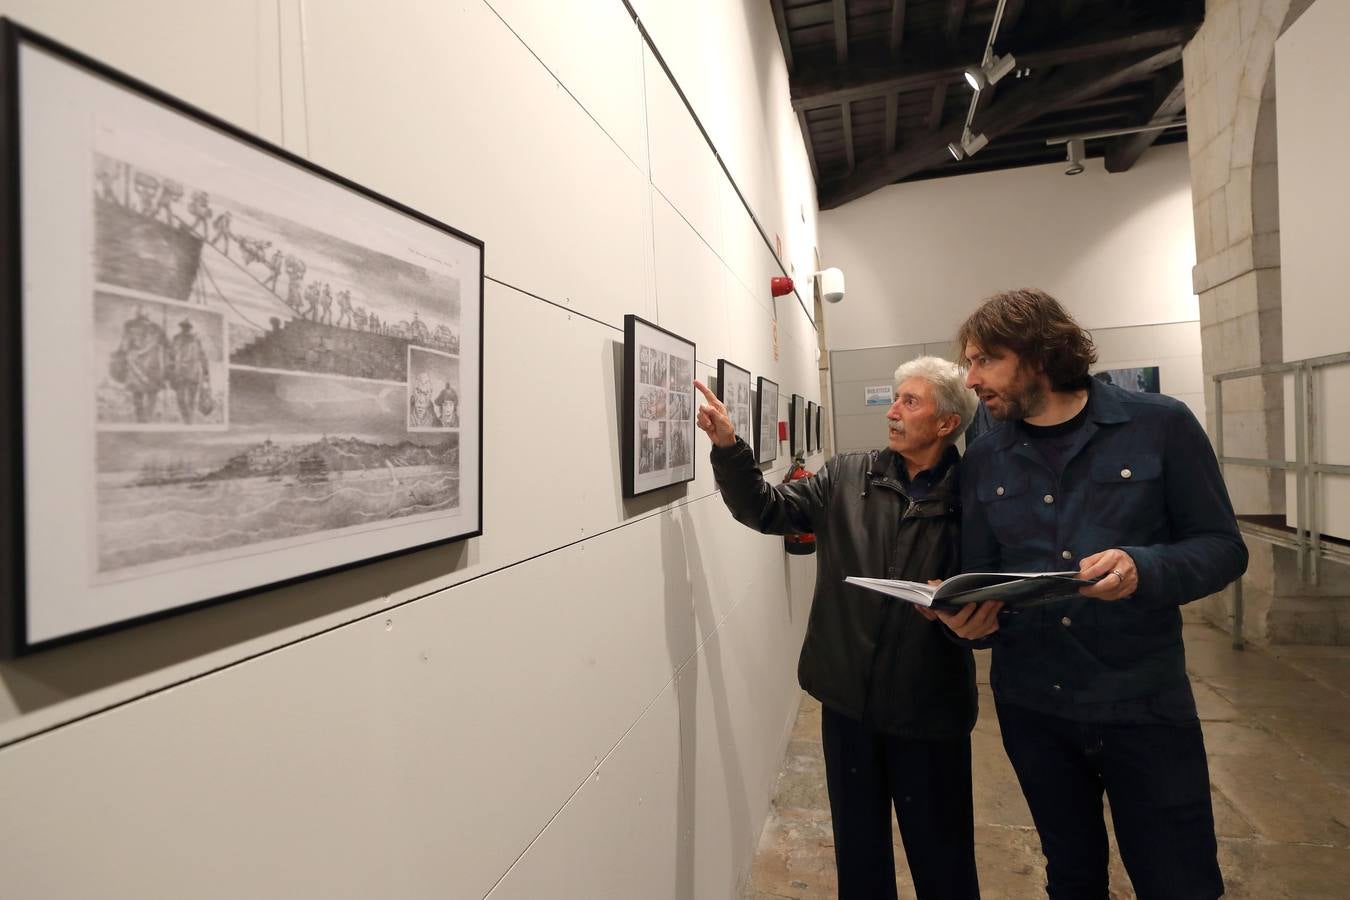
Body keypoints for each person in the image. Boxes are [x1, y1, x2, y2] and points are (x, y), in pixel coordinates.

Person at [942, 289, 1247, 900]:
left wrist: (1144, 567)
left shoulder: (1159, 425)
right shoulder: (984, 457)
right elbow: (982, 572)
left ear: (1038, 355)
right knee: (1072, 874)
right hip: (1034, 706)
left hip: (1142, 702)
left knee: (1178, 878)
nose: (970, 379)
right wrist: (968, 617)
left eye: (985, 360)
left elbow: (1222, 547)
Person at [695, 358, 982, 900]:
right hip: (848, 702)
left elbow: (992, 600)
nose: (892, 412)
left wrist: (967, 614)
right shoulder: (849, 475)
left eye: (910, 402)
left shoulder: (975, 495)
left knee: (942, 859)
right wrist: (730, 449)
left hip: (929, 707)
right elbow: (767, 509)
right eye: (895, 398)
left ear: (946, 423)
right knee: (859, 856)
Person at [168, 319, 210, 424]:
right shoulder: (176, 339)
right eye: (183, 327)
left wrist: (206, 371)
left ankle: (189, 421)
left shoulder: (196, 340)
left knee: (191, 400)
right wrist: (170, 369)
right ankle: (186, 420)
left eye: (187, 327)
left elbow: (202, 355)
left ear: (190, 328)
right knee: (181, 399)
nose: (185, 329)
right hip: (179, 373)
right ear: (181, 327)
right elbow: (171, 355)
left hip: (193, 373)